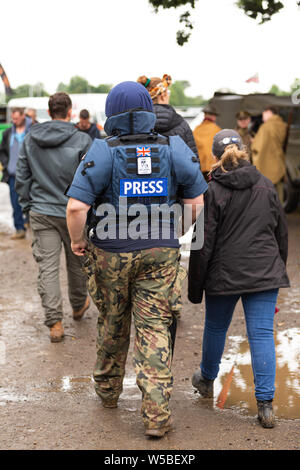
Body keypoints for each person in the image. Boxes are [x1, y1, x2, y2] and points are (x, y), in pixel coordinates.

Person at [66, 81, 207, 437]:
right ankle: (157, 416)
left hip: (111, 253)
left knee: (113, 322)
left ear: (111, 113)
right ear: (147, 111)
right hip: (160, 252)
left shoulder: (102, 151)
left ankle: (109, 392)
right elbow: (196, 202)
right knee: (155, 327)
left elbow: (76, 207)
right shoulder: (173, 148)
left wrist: (78, 241)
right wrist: (177, 233)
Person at [188, 129, 290, 429]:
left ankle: (207, 380)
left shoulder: (213, 191)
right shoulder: (267, 186)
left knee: (216, 327)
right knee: (260, 333)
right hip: (264, 271)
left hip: (224, 273)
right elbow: (280, 233)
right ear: (244, 153)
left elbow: (202, 244)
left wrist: (195, 288)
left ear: (215, 158)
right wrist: (275, 270)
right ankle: (266, 406)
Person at [15, 92, 92, 343]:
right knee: (77, 262)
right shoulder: (82, 139)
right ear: (69, 112)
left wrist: (27, 205)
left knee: (47, 268)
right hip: (75, 211)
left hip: (42, 210)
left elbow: (22, 175)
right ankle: (79, 306)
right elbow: (92, 178)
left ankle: (55, 323)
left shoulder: (30, 138)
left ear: (49, 112)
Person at [137, 74, 199, 156]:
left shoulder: (135, 123)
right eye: (168, 92)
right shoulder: (181, 124)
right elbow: (192, 161)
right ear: (163, 95)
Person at [0, 107, 32, 239]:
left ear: (23, 117)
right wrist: (6, 165)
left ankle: (30, 222)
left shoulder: (31, 131)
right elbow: (2, 151)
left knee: (31, 200)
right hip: (13, 174)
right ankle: (19, 228)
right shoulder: (8, 132)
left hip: (29, 175)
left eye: (16, 118)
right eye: (12, 118)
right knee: (15, 202)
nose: (14, 121)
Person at [251, 106, 287, 203]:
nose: (262, 117)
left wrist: (254, 141)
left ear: (268, 112)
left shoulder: (265, 127)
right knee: (279, 193)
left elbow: (257, 147)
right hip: (278, 163)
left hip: (267, 165)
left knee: (266, 195)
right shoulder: (282, 125)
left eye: (263, 113)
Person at [193, 104, 221, 181]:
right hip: (213, 169)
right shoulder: (217, 130)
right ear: (213, 116)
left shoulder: (196, 130)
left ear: (205, 115)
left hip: (199, 169)